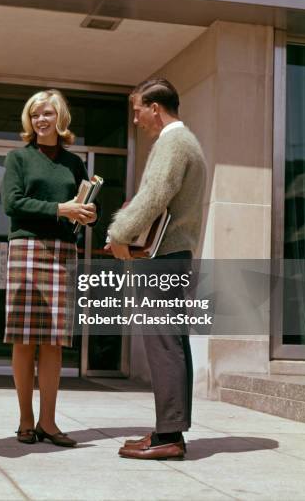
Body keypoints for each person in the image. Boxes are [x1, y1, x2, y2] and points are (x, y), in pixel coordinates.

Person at [107, 77, 206, 460]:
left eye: (137, 111)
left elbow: (154, 195)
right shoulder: (187, 142)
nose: (135, 120)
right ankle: (169, 431)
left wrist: (119, 233)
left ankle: (168, 438)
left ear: (155, 108)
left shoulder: (174, 142)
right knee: (173, 343)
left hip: (163, 258)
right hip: (173, 255)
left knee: (164, 344)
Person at [2, 89, 97, 446]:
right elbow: (12, 203)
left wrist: (88, 213)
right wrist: (61, 209)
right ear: (30, 120)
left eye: (48, 114)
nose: (42, 120)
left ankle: (49, 422)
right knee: (24, 340)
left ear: (60, 118)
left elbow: (81, 203)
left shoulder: (74, 163)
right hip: (26, 249)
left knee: (54, 343)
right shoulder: (18, 158)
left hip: (63, 252)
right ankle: (26, 420)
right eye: (36, 114)